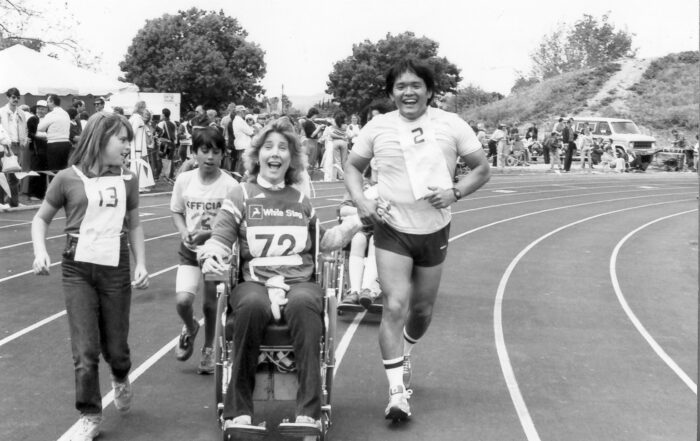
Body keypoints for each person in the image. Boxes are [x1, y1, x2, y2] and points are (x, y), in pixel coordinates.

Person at [343, 59, 491, 421]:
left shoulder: (451, 125)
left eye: (415, 85)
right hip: (392, 229)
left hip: (434, 230)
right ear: (391, 92)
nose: (408, 92)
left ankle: (406, 352)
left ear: (429, 90)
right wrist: (362, 201)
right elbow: (351, 167)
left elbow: (482, 169)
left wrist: (456, 193)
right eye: (400, 86)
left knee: (421, 310)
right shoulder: (377, 127)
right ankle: (396, 393)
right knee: (395, 305)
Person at [198, 118, 359, 439]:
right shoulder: (240, 195)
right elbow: (220, 236)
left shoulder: (300, 200)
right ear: (257, 155)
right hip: (254, 284)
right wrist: (212, 253)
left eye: (282, 148)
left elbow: (323, 240)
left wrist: (354, 224)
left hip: (299, 282)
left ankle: (308, 414)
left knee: (303, 303)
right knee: (252, 305)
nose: (275, 154)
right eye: (268, 147)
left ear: (291, 159)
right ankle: (239, 412)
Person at [31, 112, 149, 441]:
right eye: (122, 139)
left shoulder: (128, 179)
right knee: (84, 350)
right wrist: (40, 251)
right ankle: (90, 413)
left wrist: (141, 263)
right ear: (100, 139)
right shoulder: (67, 178)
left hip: (115, 265)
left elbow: (135, 224)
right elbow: (41, 219)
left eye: (129, 139)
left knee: (116, 348)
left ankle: (121, 375)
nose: (128, 145)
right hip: (77, 267)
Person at [170, 126, 239, 373]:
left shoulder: (231, 186)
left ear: (223, 155)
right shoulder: (184, 181)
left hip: (217, 252)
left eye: (216, 152)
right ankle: (190, 327)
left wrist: (209, 234)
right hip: (189, 250)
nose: (210, 157)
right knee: (182, 301)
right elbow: (177, 211)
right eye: (205, 150)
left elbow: (235, 223)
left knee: (211, 305)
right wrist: (183, 231)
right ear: (195, 153)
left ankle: (209, 348)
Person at [0, 87, 29, 207]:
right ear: (8, 97)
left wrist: (24, 140)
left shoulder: (21, 112)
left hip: (18, 146)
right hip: (5, 146)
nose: (15, 99)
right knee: (3, 175)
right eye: (13, 97)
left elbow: (25, 129)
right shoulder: (1, 111)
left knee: (15, 175)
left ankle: (14, 201)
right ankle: (1, 201)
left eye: (17, 97)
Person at [27, 100, 49, 200]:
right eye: (39, 108)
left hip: (46, 149)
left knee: (44, 172)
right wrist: (43, 136)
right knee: (35, 170)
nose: (41, 110)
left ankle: (41, 194)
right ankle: (32, 194)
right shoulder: (32, 119)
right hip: (35, 149)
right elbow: (31, 134)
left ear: (47, 109)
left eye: (43, 108)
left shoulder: (48, 119)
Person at [232, 105, 254, 175]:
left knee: (241, 164)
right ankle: (239, 180)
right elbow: (250, 132)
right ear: (239, 112)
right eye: (243, 111)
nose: (244, 112)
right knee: (243, 165)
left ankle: (238, 179)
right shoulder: (239, 120)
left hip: (241, 145)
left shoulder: (238, 120)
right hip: (244, 146)